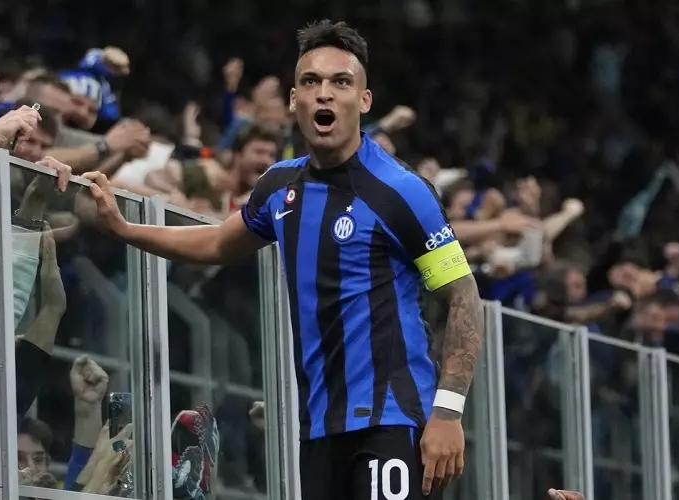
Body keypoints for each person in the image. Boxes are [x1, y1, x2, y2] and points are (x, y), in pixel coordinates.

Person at [83, 20, 484, 500]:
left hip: (392, 421)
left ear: (364, 101)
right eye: (311, 82)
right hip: (317, 429)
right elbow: (217, 243)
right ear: (295, 100)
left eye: (341, 82)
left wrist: (448, 411)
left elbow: (463, 296)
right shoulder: (279, 187)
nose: (324, 93)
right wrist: (125, 229)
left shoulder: (402, 192)